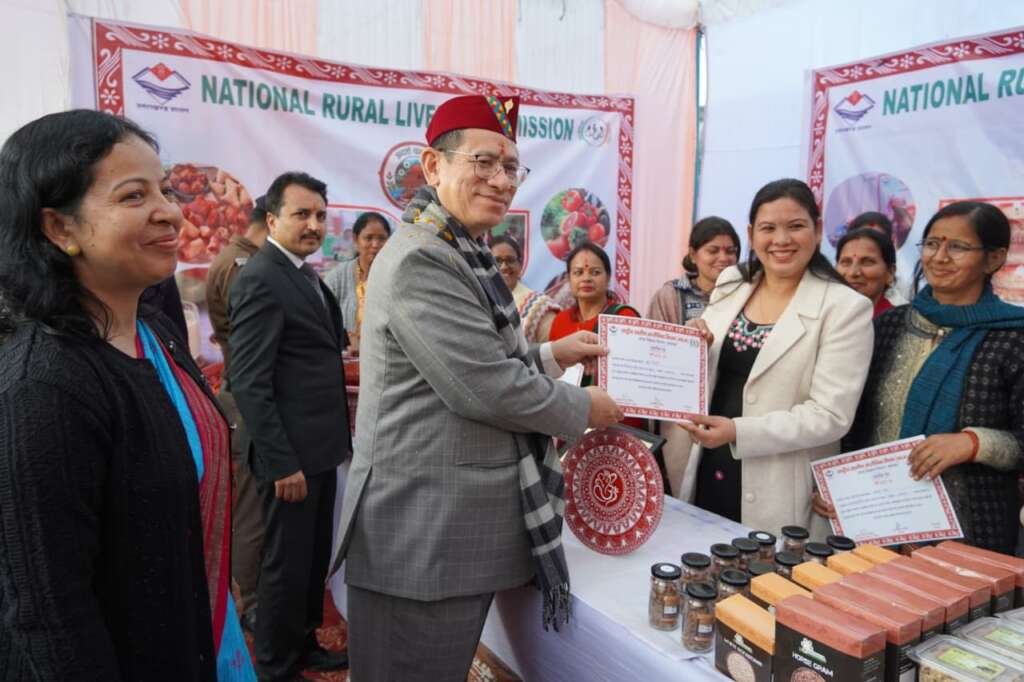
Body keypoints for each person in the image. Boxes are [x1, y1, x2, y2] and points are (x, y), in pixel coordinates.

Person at [328, 94, 623, 682]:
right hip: (423, 534)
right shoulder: (423, 259)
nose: (501, 180)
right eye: (483, 162)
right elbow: (485, 386)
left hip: (442, 528)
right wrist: (584, 406)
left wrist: (551, 354)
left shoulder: (458, 249)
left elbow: (472, 363)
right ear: (433, 166)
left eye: (511, 167)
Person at [0, 110, 253, 681]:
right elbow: (49, 615)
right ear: (59, 229)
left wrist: (205, 572)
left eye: (164, 189)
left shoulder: (155, 333)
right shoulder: (44, 387)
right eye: (134, 196)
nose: (170, 211)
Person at [672, 178, 873, 536]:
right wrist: (693, 339)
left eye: (795, 226)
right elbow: (711, 365)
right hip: (709, 463)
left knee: (763, 568)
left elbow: (830, 415)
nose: (781, 240)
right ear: (751, 234)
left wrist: (738, 432)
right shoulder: (732, 282)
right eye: (768, 228)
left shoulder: (845, 308)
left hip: (779, 485)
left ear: (818, 229)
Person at [836, 201, 1024, 554]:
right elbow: (854, 422)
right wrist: (838, 487)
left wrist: (973, 443)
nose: (940, 257)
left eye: (958, 247)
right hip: (873, 521)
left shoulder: (1013, 338)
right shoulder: (888, 326)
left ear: (994, 258)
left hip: (972, 531)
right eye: (933, 244)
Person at [228, 172, 351, 681]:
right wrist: (282, 463)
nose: (313, 224)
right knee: (285, 565)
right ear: (272, 218)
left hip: (319, 449)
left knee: (310, 560)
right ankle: (276, 664)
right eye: (301, 214)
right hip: (290, 459)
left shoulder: (304, 274)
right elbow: (249, 380)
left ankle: (303, 645)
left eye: (320, 215)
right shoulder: (261, 278)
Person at [205, 195, 270, 633]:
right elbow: (249, 341)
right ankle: (248, 602)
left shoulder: (242, 260)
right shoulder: (242, 265)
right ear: (271, 221)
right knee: (251, 505)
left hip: (246, 391)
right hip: (247, 395)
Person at [647, 216, 740, 325]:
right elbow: (654, 335)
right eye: (713, 251)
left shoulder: (745, 293)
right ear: (692, 255)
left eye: (730, 251)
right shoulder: (670, 296)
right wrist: (688, 333)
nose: (723, 258)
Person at [324, 211, 392, 351]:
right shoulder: (337, 278)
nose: (375, 244)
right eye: (368, 238)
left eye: (382, 238)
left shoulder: (397, 277)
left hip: (384, 356)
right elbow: (321, 320)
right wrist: (345, 339)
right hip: (344, 357)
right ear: (356, 239)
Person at [490, 234, 560, 342]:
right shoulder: (478, 301)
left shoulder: (539, 307)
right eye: (497, 261)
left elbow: (554, 347)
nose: (504, 266)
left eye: (510, 260)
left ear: (520, 265)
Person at [835, 227, 898, 318]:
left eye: (867, 262)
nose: (853, 273)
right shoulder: (824, 318)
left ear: (890, 272)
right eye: (846, 262)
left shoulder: (899, 323)